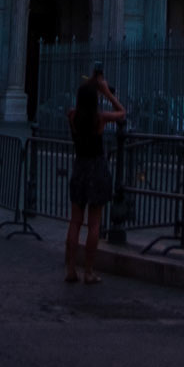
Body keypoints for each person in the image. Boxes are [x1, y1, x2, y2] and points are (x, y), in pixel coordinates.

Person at [64, 67, 126, 285]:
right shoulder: (100, 119)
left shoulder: (72, 116)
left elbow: (80, 107)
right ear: (95, 100)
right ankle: (88, 271)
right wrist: (107, 93)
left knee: (75, 222)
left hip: (79, 168)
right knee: (94, 225)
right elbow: (122, 112)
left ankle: (70, 269)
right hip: (97, 169)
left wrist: (91, 86)